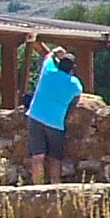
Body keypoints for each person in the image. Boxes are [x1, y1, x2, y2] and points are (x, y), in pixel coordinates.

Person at [23, 46, 84, 185]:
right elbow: (78, 93)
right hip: (55, 122)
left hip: (35, 116)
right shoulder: (74, 84)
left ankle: (36, 187)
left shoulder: (48, 71)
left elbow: (47, 57)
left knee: (37, 156)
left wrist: (56, 52)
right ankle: (55, 186)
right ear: (72, 69)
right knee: (55, 157)